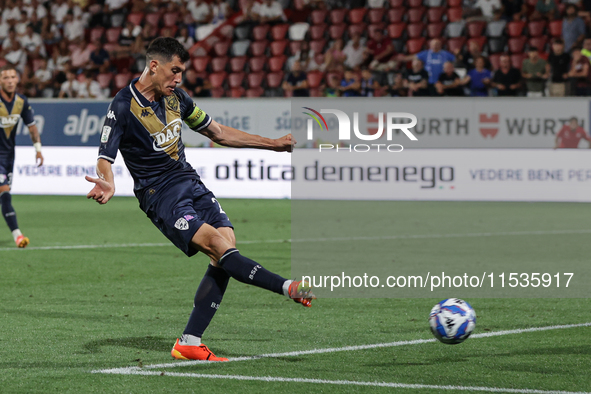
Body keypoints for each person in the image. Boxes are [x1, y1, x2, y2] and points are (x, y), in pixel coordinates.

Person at [85, 38, 314, 361]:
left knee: (227, 243)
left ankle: (189, 341)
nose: (178, 79)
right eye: (174, 71)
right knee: (220, 249)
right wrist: (108, 183)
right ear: (154, 66)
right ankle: (287, 286)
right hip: (161, 195)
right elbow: (105, 156)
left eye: (182, 72)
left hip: (190, 182)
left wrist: (272, 144)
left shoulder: (177, 98)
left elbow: (217, 132)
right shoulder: (123, 106)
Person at [0, 65, 43, 248]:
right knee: (4, 192)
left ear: (17, 80)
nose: (9, 81)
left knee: (5, 195)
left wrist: (38, 149)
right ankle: (18, 235)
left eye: (12, 77)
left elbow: (32, 127)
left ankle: (17, 235)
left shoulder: (22, 101)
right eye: (5, 77)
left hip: (9, 156)